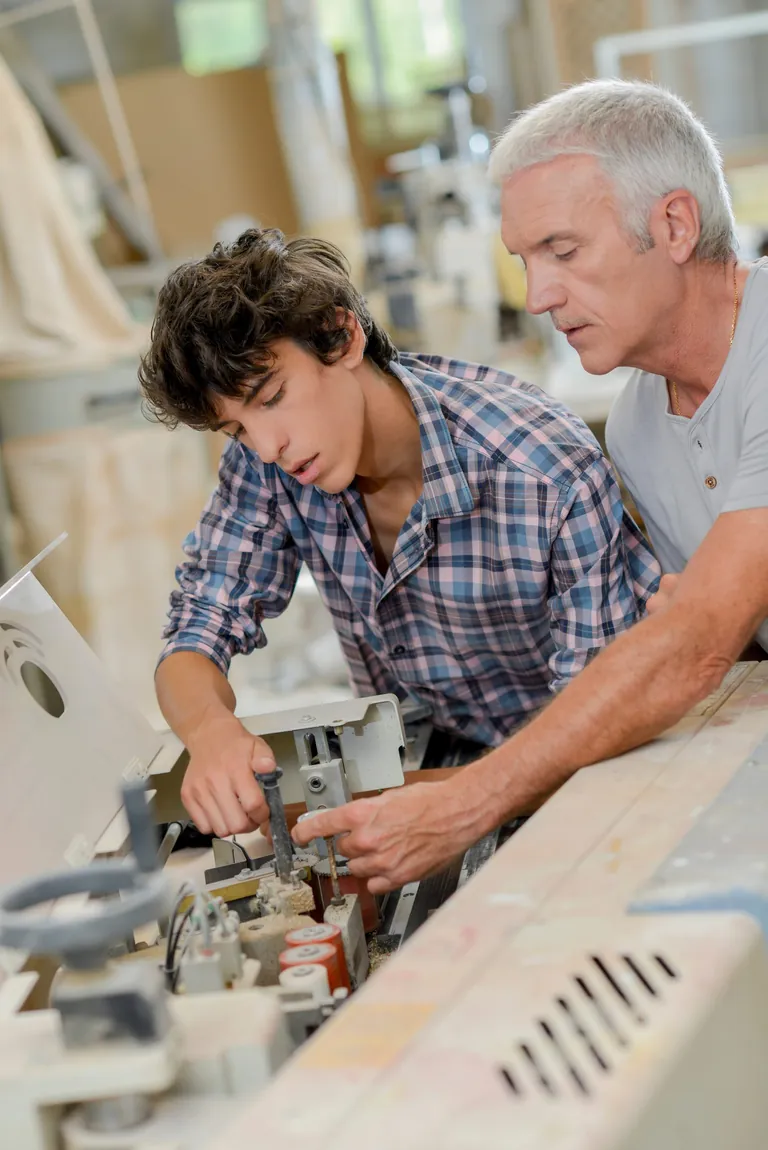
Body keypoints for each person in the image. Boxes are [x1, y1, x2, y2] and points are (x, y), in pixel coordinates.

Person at [292, 77, 768, 894]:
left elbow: (693, 650)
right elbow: (707, 638)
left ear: (676, 224)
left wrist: (466, 804)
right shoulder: (638, 429)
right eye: (525, 261)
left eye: (564, 251)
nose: (540, 296)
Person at [140, 228, 658, 846]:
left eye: (274, 398)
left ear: (343, 337)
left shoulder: (542, 471)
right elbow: (196, 627)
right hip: (431, 766)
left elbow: (602, 719)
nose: (268, 447)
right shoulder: (268, 465)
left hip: (584, 780)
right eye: (237, 430)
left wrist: (414, 804)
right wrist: (209, 732)